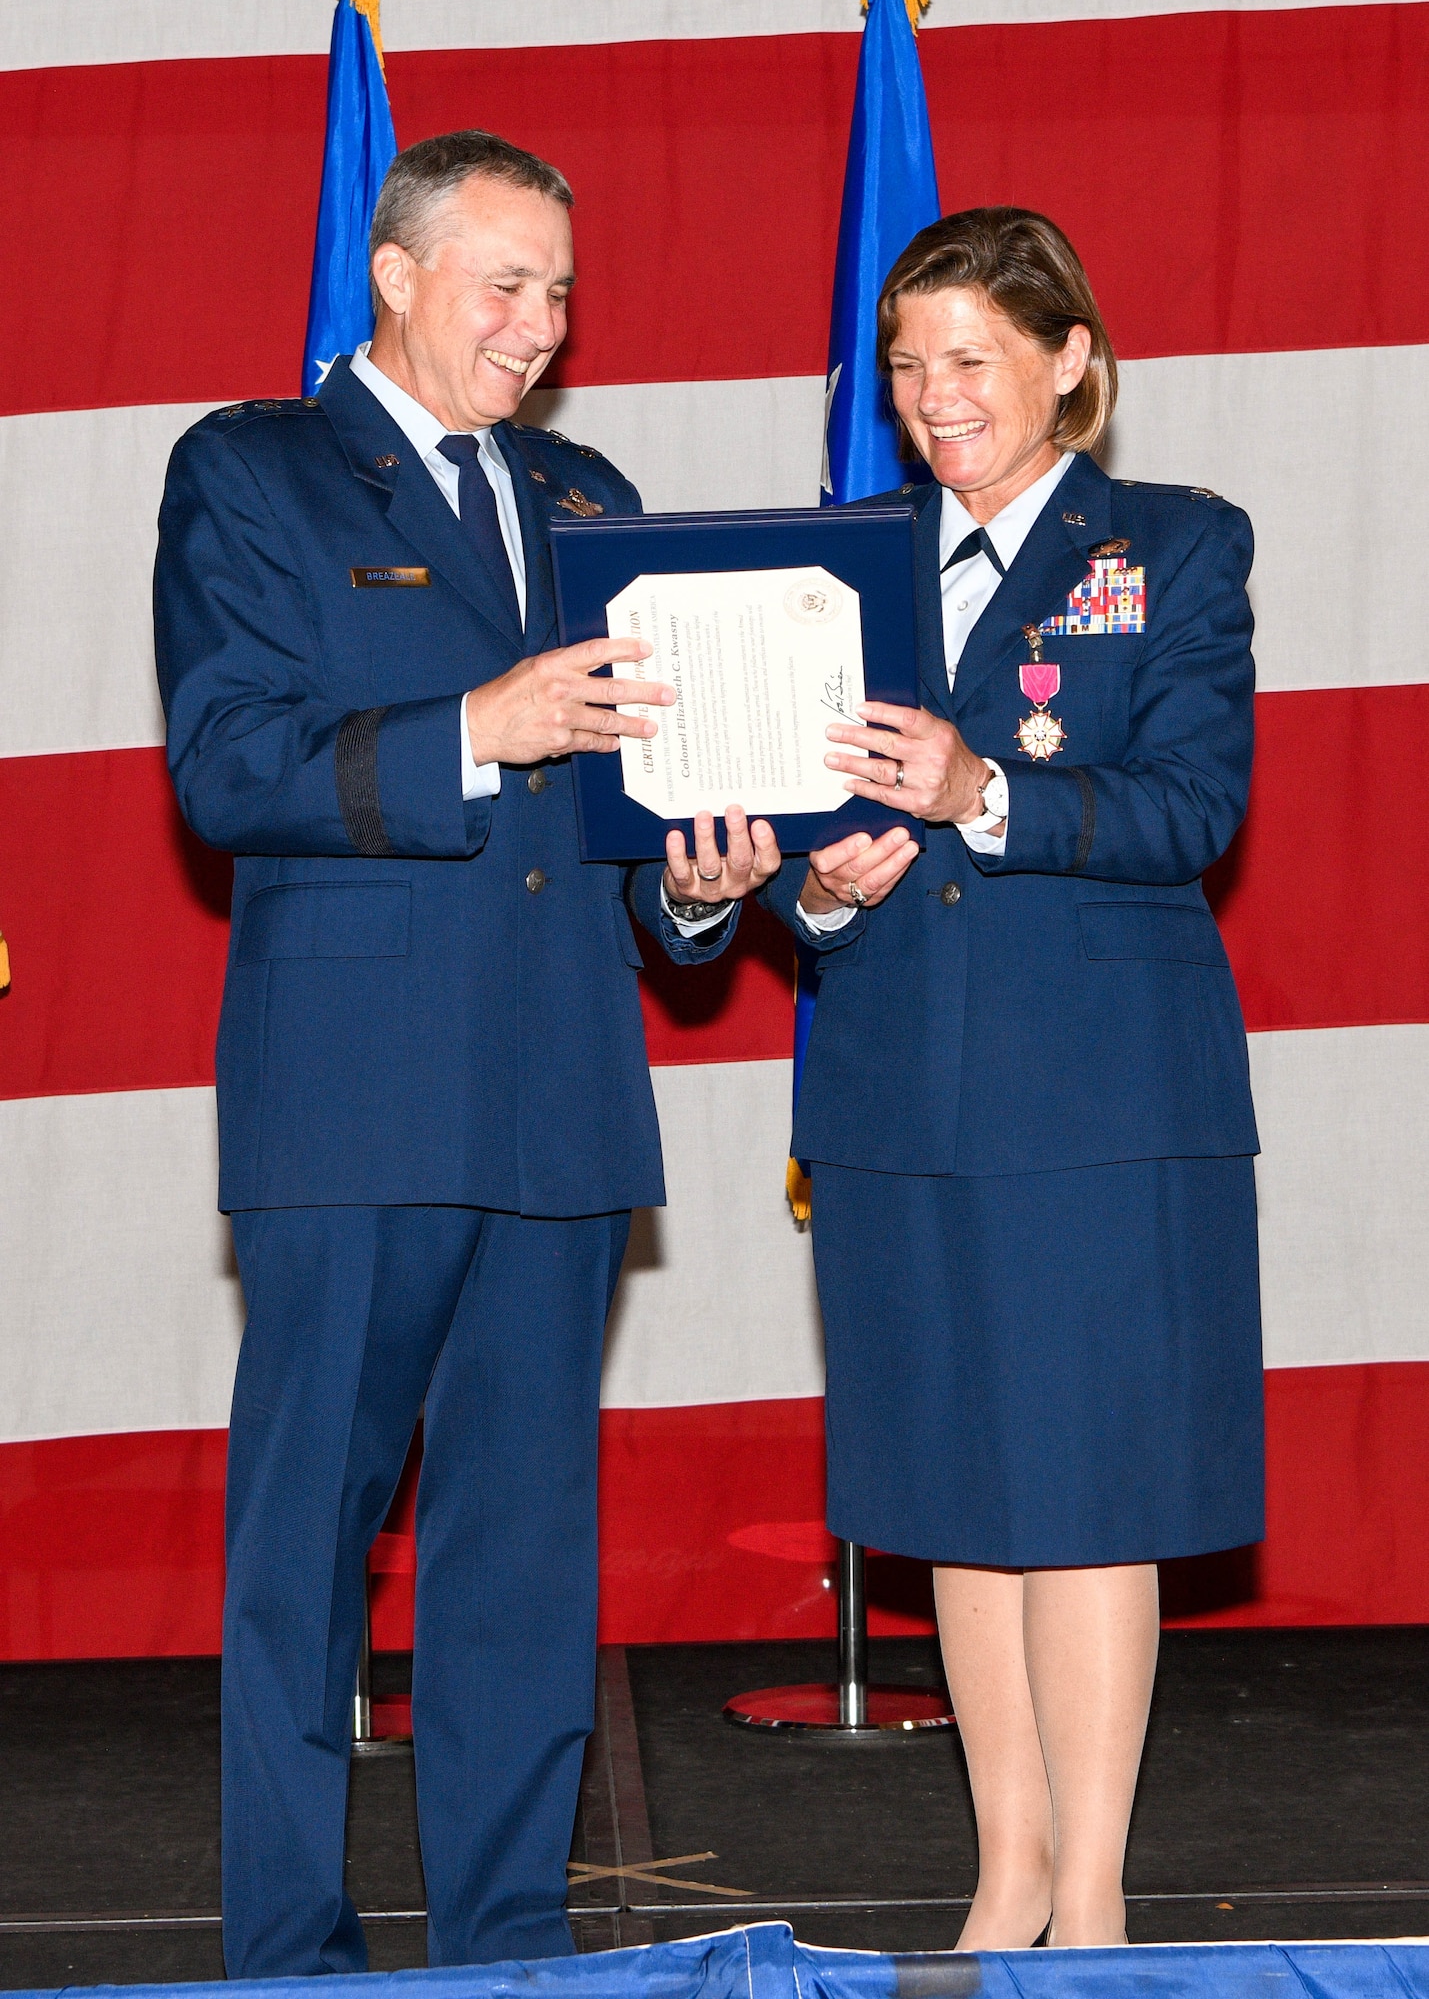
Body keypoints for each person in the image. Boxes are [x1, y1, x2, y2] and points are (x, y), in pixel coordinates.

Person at [154, 130, 768, 1977]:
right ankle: (292, 1949)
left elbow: (631, 812)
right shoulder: (251, 468)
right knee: (304, 1562)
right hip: (352, 1101)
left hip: (563, 1089)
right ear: (397, 275)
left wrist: (700, 884)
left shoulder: (588, 492)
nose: (540, 324)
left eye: (561, 291)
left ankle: (511, 1946)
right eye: (507, 283)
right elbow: (228, 765)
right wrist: (474, 725)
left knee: (520, 1570)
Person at [760, 207, 1263, 1949]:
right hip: (898, 1091)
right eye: (907, 364)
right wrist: (808, 884)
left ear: (1071, 365)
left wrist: (982, 793)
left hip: (1099, 1098)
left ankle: (1101, 1901)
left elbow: (1192, 810)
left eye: (970, 358)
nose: (931, 397)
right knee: (952, 1491)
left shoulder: (1175, 548)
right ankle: (1005, 1878)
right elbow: (767, 825)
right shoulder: (846, 558)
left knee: (1086, 1492)